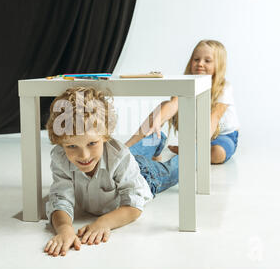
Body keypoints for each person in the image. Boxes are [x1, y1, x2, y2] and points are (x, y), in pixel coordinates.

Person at [44, 87, 178, 257]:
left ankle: (191, 149)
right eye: (72, 146)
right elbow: (60, 199)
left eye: (92, 143)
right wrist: (64, 229)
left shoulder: (119, 156)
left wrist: (103, 223)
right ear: (61, 143)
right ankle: (158, 139)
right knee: (138, 148)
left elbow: (134, 205)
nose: (84, 156)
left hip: (147, 175)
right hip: (128, 161)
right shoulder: (60, 157)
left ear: (106, 136)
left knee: (176, 168)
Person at [125, 39, 240, 164]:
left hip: (222, 136)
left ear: (219, 65)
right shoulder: (186, 84)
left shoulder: (224, 88)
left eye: (207, 61)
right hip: (196, 134)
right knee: (164, 106)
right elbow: (174, 104)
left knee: (217, 153)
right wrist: (158, 119)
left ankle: (188, 151)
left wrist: (197, 144)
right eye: (196, 59)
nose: (200, 64)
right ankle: (127, 148)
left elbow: (214, 117)